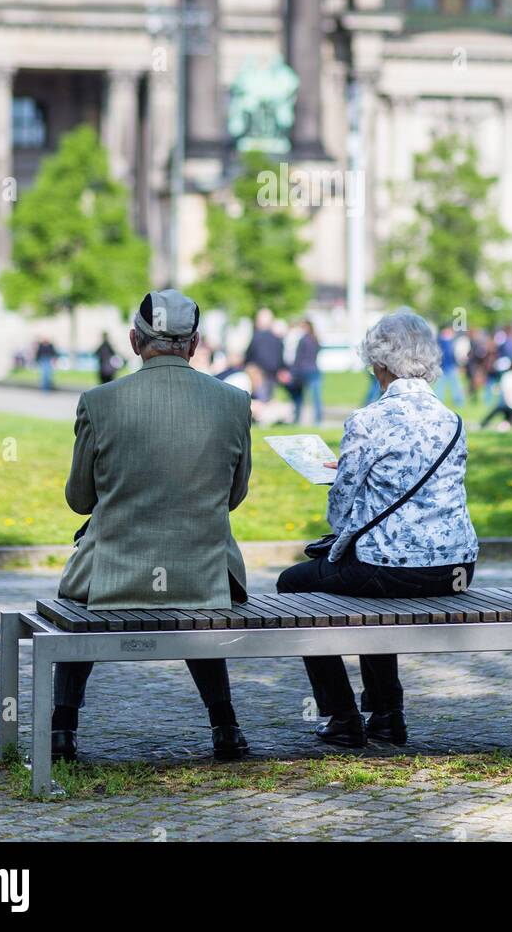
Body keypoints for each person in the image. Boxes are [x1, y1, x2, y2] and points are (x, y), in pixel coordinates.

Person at [52, 289, 253, 763]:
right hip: (205, 575)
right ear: (196, 344)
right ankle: (225, 726)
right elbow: (234, 497)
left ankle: (62, 731)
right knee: (195, 602)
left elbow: (79, 501)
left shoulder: (99, 402)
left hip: (113, 576)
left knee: (75, 606)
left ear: (133, 340)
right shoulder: (233, 402)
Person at [277, 308, 479, 750]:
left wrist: (341, 473)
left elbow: (341, 513)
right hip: (455, 568)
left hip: (390, 570)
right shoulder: (453, 420)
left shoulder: (368, 420)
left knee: (294, 584)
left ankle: (342, 716)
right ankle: (387, 715)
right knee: (372, 582)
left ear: (379, 363)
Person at [285, 318, 322, 424]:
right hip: (314, 369)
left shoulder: (303, 340)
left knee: (299, 397)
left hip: (303, 371)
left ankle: (297, 418)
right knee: (316, 397)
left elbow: (298, 357)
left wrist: (293, 372)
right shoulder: (315, 339)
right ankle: (318, 420)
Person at [243, 308, 284, 402]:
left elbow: (250, 353)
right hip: (272, 374)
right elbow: (280, 357)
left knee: (259, 401)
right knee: (267, 400)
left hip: (259, 373)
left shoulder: (257, 337)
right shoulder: (277, 338)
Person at [435, 323, 464, 407]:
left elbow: (454, 354)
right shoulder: (441, 340)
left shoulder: (452, 341)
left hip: (451, 366)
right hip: (442, 366)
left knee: (456, 385)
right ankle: (439, 401)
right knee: (440, 386)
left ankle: (458, 401)